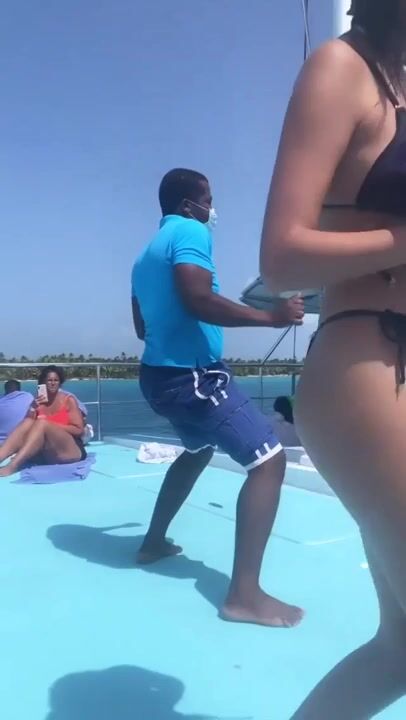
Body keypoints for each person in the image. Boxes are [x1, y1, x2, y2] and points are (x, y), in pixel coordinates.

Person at [260, 0, 406, 716]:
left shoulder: (400, 84)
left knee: (400, 651)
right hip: (368, 362)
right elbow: (282, 256)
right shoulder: (344, 68)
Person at [131, 168, 305, 627]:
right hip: (194, 376)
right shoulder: (191, 231)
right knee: (269, 462)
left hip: (157, 376)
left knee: (196, 451)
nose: (212, 209)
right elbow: (198, 299)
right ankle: (243, 596)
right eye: (208, 199)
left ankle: (152, 543)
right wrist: (271, 318)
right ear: (188, 205)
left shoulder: (144, 256)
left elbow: (141, 327)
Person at [0, 365, 86, 477]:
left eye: (56, 380)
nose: (53, 383)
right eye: (49, 380)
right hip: (47, 452)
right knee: (28, 422)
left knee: (42, 423)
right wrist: (33, 408)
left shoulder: (68, 400)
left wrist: (51, 425)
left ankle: (13, 466)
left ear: (60, 382)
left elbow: (79, 430)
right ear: (43, 383)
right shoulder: (38, 401)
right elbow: (26, 427)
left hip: (70, 449)